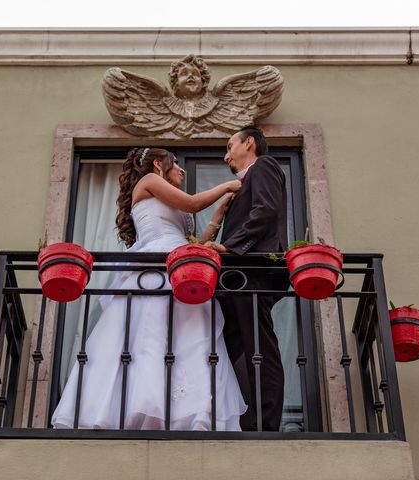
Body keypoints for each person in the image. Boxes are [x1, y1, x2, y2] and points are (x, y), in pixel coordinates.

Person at [51, 147, 247, 431]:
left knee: (190, 339)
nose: (181, 169)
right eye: (175, 163)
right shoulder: (149, 182)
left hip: (180, 267)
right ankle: (143, 407)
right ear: (158, 164)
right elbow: (192, 204)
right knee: (150, 339)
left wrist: (217, 215)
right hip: (155, 268)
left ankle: (191, 413)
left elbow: (195, 244)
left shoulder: (164, 192)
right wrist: (230, 183)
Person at [207, 125, 289, 431]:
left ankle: (266, 425)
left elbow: (265, 210)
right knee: (226, 348)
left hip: (251, 273)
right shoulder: (245, 182)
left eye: (230, 146)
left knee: (260, 348)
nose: (227, 155)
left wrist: (230, 246)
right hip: (237, 276)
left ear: (249, 143)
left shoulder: (264, 166)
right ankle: (226, 418)